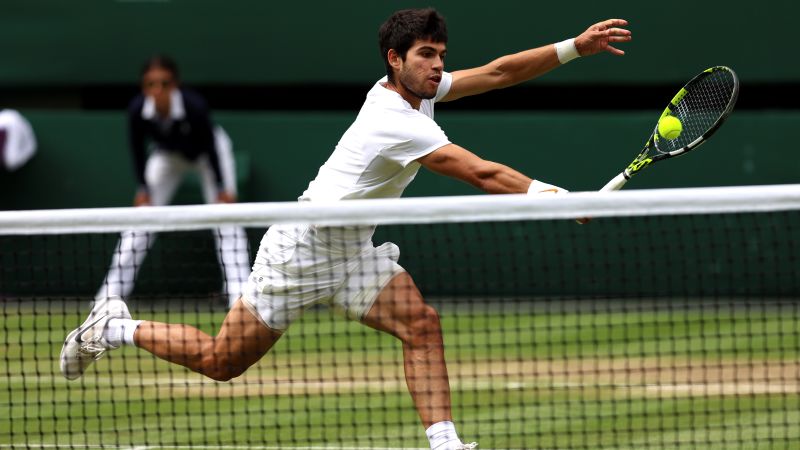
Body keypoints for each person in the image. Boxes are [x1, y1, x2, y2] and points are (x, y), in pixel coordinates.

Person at [61, 10, 631, 450]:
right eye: (425, 55)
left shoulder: (418, 93)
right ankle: (114, 327)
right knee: (220, 362)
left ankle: (445, 442)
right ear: (394, 59)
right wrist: (555, 199)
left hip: (352, 251)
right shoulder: (394, 120)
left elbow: (499, 72)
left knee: (422, 325)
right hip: (299, 253)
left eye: (441, 56)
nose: (437, 66)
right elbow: (478, 170)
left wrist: (573, 48)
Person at [95, 55, 251, 307]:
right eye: (151, 84)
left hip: (209, 155)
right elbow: (136, 150)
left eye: (164, 83)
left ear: (175, 85)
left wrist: (223, 187)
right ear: (143, 87)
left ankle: (240, 298)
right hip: (167, 156)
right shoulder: (137, 110)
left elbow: (210, 147)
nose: (157, 90)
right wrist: (143, 189)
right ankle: (108, 298)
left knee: (226, 218)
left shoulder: (194, 105)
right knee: (140, 220)